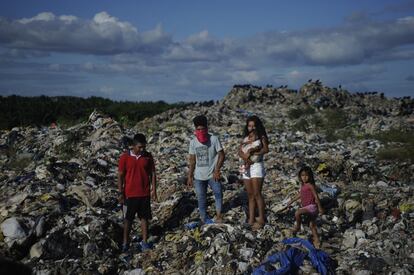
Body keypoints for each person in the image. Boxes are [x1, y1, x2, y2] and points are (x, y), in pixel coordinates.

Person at [117, 133, 157, 252]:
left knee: (144, 218)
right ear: (133, 146)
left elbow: (153, 174)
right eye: (140, 147)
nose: (142, 149)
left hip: (144, 193)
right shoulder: (125, 157)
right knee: (128, 219)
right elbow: (120, 176)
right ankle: (125, 242)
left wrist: (154, 189)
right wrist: (120, 192)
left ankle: (144, 242)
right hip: (129, 194)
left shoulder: (148, 156)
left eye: (144, 147)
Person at [187, 115, 225, 224]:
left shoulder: (214, 139)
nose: (200, 131)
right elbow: (192, 160)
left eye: (202, 129)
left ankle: (218, 215)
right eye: (198, 129)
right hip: (199, 176)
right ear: (195, 130)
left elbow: (222, 155)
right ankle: (203, 218)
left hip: (213, 174)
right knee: (201, 197)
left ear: (206, 128)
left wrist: (217, 170)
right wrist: (190, 176)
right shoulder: (193, 142)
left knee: (218, 194)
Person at [239, 116, 269, 230]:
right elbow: (239, 150)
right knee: (250, 195)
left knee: (257, 194)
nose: (251, 128)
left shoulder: (261, 136)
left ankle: (261, 219)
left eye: (253, 125)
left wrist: (253, 152)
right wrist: (246, 158)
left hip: (256, 166)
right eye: (249, 125)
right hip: (246, 166)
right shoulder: (246, 138)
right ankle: (251, 219)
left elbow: (266, 149)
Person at [286, 166, 324, 248]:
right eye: (302, 175)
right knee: (312, 225)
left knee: (297, 213)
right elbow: (300, 194)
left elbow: (316, 196)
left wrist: (320, 208)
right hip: (307, 207)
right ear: (300, 176)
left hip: (311, 207)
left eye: (306, 175)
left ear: (310, 176)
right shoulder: (303, 185)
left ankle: (298, 227)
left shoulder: (310, 185)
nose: (304, 177)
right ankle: (317, 241)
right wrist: (291, 201)